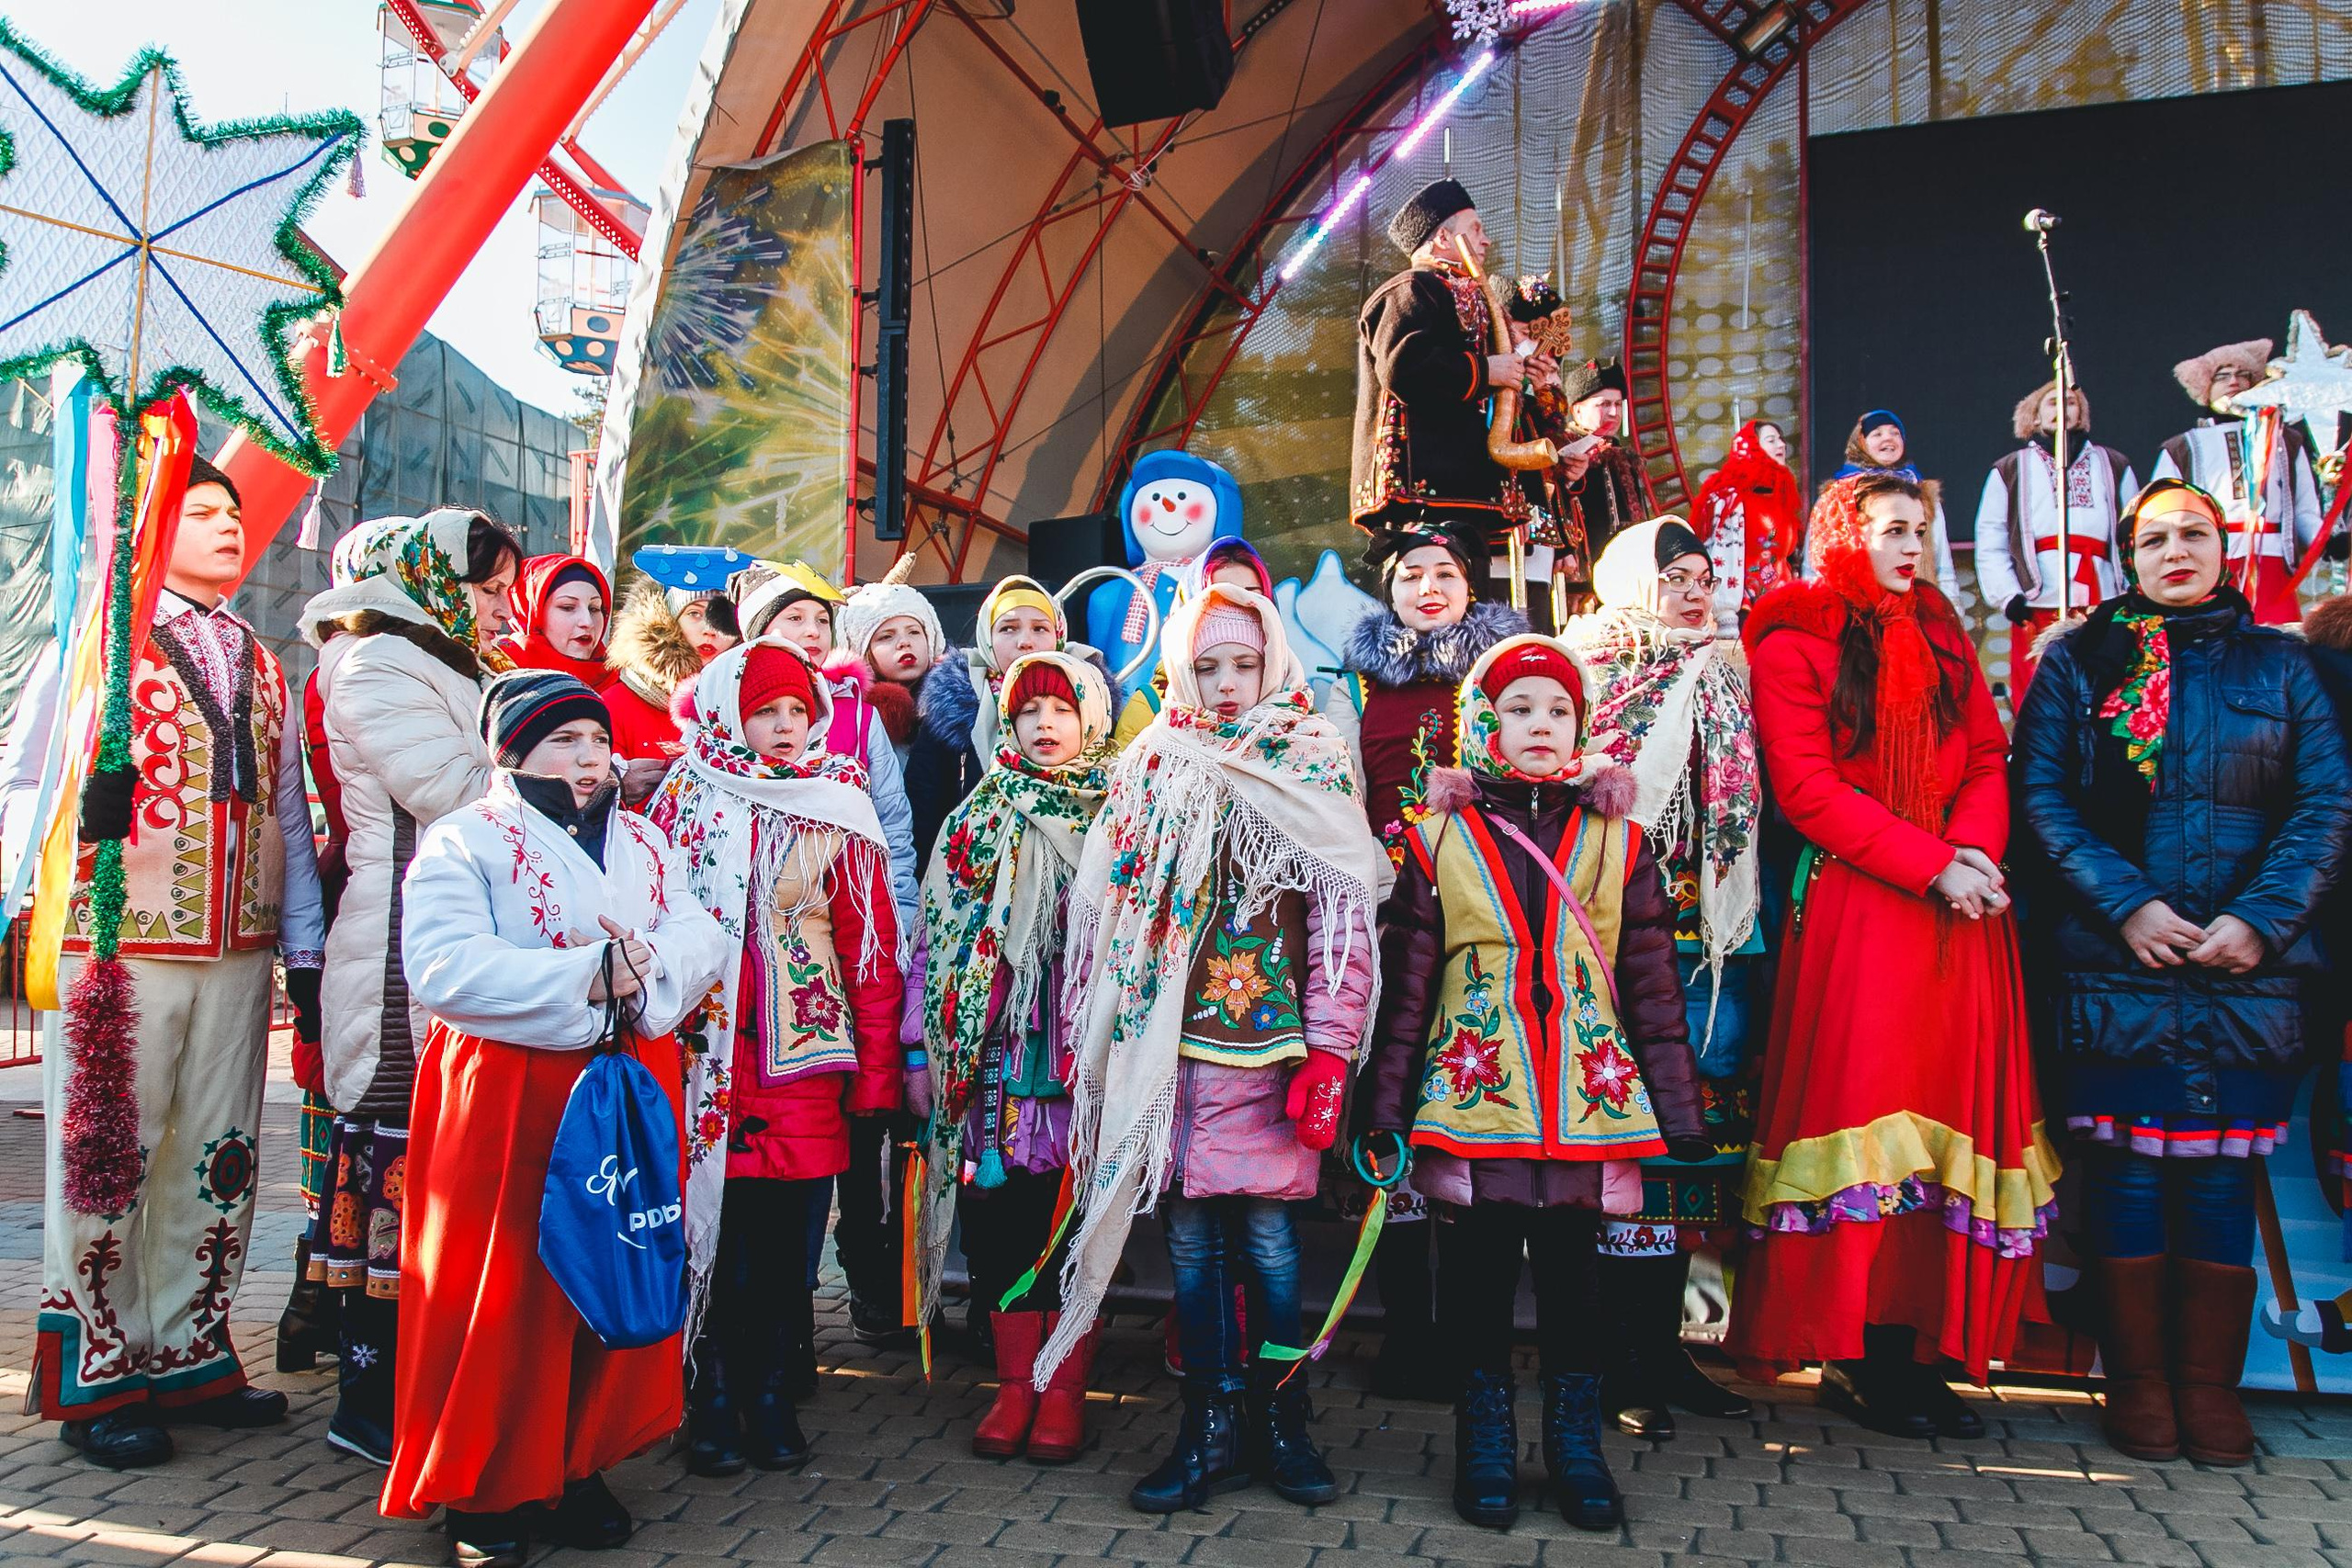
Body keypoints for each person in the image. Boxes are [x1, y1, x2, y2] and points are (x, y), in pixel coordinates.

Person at [2011, 478, 2351, 1467]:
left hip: (2250, 972)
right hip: (2114, 963)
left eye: (2192, 534)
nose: (2174, 552)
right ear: (2129, 556)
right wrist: (2127, 905)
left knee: (2215, 1180)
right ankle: (2138, 1385)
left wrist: (2260, 917)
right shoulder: (2082, 663)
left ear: (2221, 547)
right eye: (2153, 538)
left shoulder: (2282, 669)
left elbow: (2326, 805)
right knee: (2120, 1177)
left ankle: (2206, 1390)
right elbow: (2039, 797)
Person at [1043, 583, 1384, 1515]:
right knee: (1191, 1243)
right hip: (1169, 1054)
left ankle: (1281, 1421)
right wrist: (1098, 1034)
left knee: (1272, 1244)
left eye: (1244, 662)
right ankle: (1207, 1428)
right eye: (1207, 665)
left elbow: (1341, 922)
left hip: (1272, 1055)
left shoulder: (1310, 756)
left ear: (1273, 659)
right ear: (1179, 670)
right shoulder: (1153, 759)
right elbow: (1108, 909)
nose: (1228, 683)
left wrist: (1329, 1048)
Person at [1729, 472, 2057, 1437]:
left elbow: (1990, 758)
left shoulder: (1949, 636)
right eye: (1890, 530)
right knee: (1866, 1118)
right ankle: (1854, 1347)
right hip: (1862, 906)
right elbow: (1809, 791)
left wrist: (1974, 854)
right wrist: (1931, 866)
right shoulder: (1796, 641)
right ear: (1843, 534)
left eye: (1921, 529)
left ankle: (1921, 1343)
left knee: (1950, 1122)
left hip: (1960, 908)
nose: (1911, 547)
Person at [386, 671, 729, 1568]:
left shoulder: (646, 841)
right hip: (512, 1094)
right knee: (503, 1289)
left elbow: (700, 930)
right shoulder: (465, 841)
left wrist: (649, 967)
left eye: (596, 741)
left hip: (623, 1080)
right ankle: (487, 1485)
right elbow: (442, 965)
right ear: (512, 751)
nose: (589, 758)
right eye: (564, 741)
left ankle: (577, 1462)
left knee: (605, 1272)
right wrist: (583, 976)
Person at [1365, 633, 1707, 1531]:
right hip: (1477, 1101)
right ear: (1485, 725)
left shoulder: (1620, 842)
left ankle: (1572, 1445)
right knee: (1475, 1280)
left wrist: (1679, 1113)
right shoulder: (1435, 840)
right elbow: (1407, 987)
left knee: (1574, 1285)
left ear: (1582, 724)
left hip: (1588, 1109)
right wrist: (1384, 1109)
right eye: (1519, 709)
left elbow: (1651, 987)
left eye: (1558, 709)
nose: (1540, 725)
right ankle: (1485, 1440)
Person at [39, 455, 325, 1468]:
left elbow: (286, 809)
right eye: (200, 511)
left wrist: (300, 943)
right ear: (154, 527)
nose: (226, 527)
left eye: (233, 512)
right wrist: (77, 823)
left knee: (220, 1152)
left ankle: (190, 1346)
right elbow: (31, 766)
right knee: (110, 1153)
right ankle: (99, 1368)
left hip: (236, 943)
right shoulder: (98, 640)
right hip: (122, 941)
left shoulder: (259, 654)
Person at [646, 640, 904, 1479]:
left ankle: (766, 1390)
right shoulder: (683, 797)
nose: (786, 727)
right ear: (728, 712)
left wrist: (876, 1075)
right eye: (766, 712)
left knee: (789, 1240)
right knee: (719, 1236)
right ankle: (709, 1387)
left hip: (805, 1066)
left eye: (799, 710)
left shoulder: (839, 804)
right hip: (705, 1060)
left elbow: (871, 951)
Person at [298, 507, 519, 1464]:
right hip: (398, 948)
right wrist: (573, 762)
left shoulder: (459, 663)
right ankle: (373, 1398)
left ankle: (431, 1383)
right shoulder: (374, 660)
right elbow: (452, 785)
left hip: (453, 926)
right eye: (481, 585)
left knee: (439, 1167)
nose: (497, 603)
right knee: (391, 1159)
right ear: (423, 576)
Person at [1560, 520, 1764, 1440]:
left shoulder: (1727, 673)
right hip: (1609, 934)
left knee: (1691, 1144)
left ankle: (1666, 1346)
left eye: (1701, 577)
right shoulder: (1584, 668)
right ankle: (1610, 1359)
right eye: (1672, 577)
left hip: (1708, 938)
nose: (1692, 592)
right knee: (1621, 1143)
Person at [1320, 523, 1525, 1400]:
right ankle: (1406, 1329)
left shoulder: (1505, 679)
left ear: (1471, 587)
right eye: (1412, 575)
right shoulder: (1356, 683)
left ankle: (1473, 1334)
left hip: (1485, 920)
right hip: (1385, 918)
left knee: (1467, 1102)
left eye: (1446, 572)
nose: (1429, 586)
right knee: (1388, 1106)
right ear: (1391, 592)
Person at [910, 650, 1114, 1462]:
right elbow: (937, 933)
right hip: (992, 1070)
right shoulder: (975, 817)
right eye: (1027, 711)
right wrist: (918, 1054)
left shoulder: (1118, 813)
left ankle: (1064, 1390)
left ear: (1089, 717)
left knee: (1070, 1232)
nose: (1044, 725)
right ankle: (1013, 1387)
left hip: (1076, 1068)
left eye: (1060, 708)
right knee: (998, 1234)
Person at [737, 562, 922, 1350]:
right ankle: (758, 1332)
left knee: (853, 1141)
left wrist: (900, 930)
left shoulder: (853, 726)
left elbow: (893, 834)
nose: (811, 633)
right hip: (748, 1009)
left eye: (821, 620)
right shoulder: (711, 768)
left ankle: (851, 1286)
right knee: (765, 1173)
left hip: (844, 985)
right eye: (792, 621)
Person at [1350, 179, 1554, 559]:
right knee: (1430, 597)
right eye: (1475, 228)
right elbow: (1403, 368)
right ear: (1444, 237)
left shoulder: (1471, 295)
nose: (1486, 240)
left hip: (1471, 488)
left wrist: (1520, 379)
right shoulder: (1412, 287)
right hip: (1423, 490)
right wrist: (1487, 370)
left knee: (1470, 604)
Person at [1972, 382, 2136, 694]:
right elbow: (1991, 537)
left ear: (2082, 414)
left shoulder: (2114, 464)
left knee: (2107, 688)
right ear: (2035, 417)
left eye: (2071, 402)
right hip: (2039, 601)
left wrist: (2131, 590)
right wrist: (2008, 596)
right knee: (2041, 690)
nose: (2062, 408)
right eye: (2052, 403)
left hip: (2102, 598)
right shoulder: (2010, 469)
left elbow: (2135, 533)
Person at [2152, 337, 2327, 626]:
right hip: (2210, 563)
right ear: (2205, 387)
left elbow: (2306, 510)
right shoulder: (2182, 448)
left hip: (2272, 562)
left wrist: (2326, 540)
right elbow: (2163, 515)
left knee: (2279, 640)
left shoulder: (2286, 441)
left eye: (2242, 374)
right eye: (2223, 375)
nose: (2233, 380)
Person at [909, 575, 1074, 868]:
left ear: (1059, 635)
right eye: (1008, 629)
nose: (1025, 642)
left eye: (1040, 628)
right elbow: (924, 810)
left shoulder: (1088, 705)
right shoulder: (950, 710)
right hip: (967, 872)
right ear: (987, 636)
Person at [1114, 536, 1276, 749]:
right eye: (1220, 596)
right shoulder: (1152, 709)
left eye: (1251, 596)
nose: (1239, 607)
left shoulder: (1299, 708)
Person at [604, 575, 739, 800]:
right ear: (668, 621)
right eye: (694, 613)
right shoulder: (615, 704)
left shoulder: (750, 706)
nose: (710, 629)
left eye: (722, 615)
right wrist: (617, 787)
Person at [1535, 358, 1655, 603]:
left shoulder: (1624, 458)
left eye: (1618, 405)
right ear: (1577, 410)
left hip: (1624, 575)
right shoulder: (1557, 452)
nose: (1613, 412)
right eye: (1604, 404)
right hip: (1578, 576)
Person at [1830, 411, 1962, 599]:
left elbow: (1943, 566)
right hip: (1858, 611)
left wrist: (1951, 614)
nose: (1888, 439)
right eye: (1877, 434)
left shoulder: (1924, 496)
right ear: (1860, 442)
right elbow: (1816, 565)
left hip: (1917, 610)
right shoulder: (1840, 495)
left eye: (1895, 433)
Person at [1693, 419, 1804, 632]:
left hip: (1786, 606)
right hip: (1745, 612)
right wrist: (1725, 616)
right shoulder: (1729, 500)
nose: (1782, 445)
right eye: (1771, 440)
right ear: (1750, 448)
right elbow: (1720, 557)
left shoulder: (1783, 496)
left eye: (1781, 440)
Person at [836, 564, 947, 767]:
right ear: (863, 653)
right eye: (886, 637)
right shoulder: (846, 716)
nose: (904, 642)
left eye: (914, 632)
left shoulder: (961, 708)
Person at [499, 554, 612, 684]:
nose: (587, 622)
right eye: (568, 607)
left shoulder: (627, 681)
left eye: (594, 609)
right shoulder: (494, 670)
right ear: (533, 613)